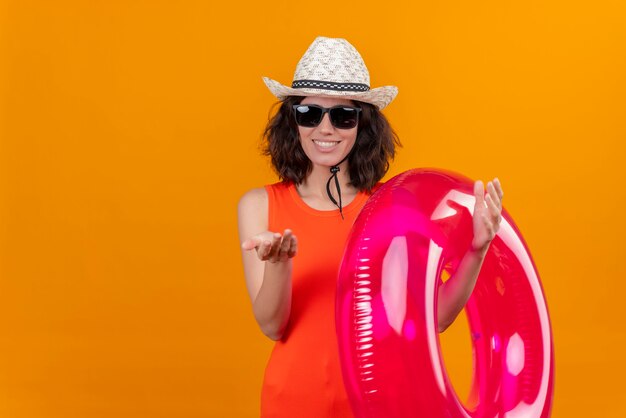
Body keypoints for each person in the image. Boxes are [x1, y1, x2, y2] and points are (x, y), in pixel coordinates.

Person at [237, 36, 504, 418]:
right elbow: (272, 326)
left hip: (378, 406)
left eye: (343, 115)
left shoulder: (391, 207)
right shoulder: (259, 205)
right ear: (291, 120)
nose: (325, 129)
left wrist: (477, 250)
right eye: (310, 113)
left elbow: (435, 320)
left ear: (363, 125)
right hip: (293, 403)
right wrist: (279, 263)